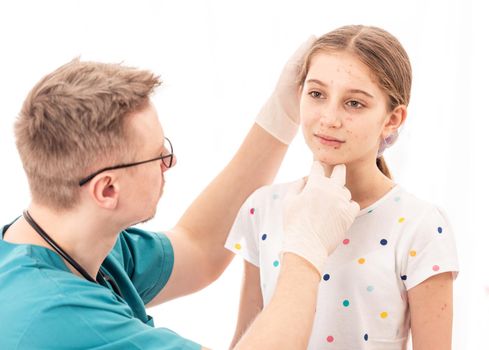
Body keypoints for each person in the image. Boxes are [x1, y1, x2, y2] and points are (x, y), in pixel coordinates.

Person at [0, 38, 360, 349]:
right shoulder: (58, 315)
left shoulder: (69, 241)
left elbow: (198, 248)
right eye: (158, 155)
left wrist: (280, 116)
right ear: (107, 188)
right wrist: (305, 251)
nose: (169, 163)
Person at [226, 25, 459, 349]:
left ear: (392, 119)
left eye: (354, 103)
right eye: (317, 94)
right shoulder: (263, 207)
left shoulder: (420, 225)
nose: (329, 118)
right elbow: (244, 340)